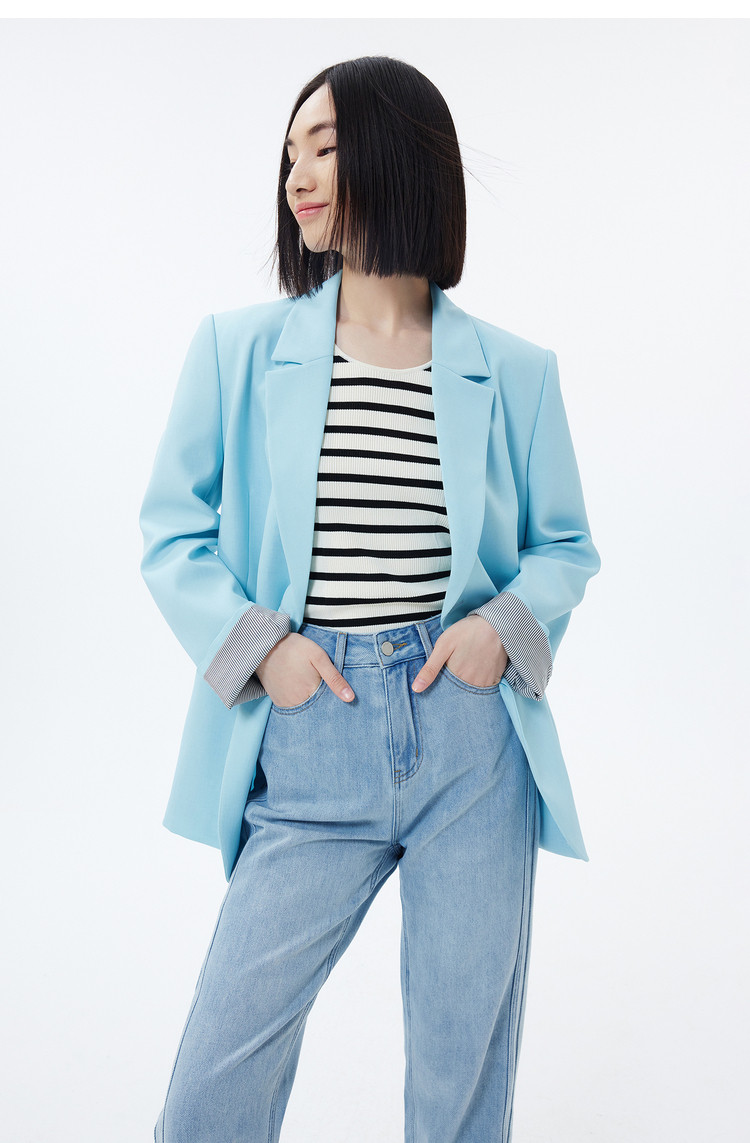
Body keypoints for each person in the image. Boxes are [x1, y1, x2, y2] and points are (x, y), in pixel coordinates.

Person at [139, 55, 601, 1143]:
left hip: (471, 741)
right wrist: (266, 650)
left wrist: (498, 632)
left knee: (461, 1078)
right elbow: (172, 530)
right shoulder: (239, 350)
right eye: (289, 154)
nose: (297, 176)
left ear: (400, 157)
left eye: (327, 146)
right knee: (217, 1077)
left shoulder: (516, 371)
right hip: (310, 733)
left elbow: (565, 546)